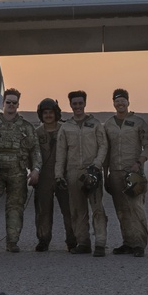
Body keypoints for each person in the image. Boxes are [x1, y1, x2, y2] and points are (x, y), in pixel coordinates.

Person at [0, 88, 41, 253]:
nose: (11, 105)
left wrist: (36, 169)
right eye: (8, 102)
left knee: (15, 208)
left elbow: (35, 150)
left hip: (18, 173)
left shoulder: (26, 127)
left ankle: (12, 242)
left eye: (14, 103)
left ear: (18, 104)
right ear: (3, 104)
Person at [56, 91, 108, 256]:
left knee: (97, 208)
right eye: (74, 103)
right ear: (70, 105)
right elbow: (61, 153)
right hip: (73, 172)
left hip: (91, 171)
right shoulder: (66, 127)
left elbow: (103, 146)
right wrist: (59, 175)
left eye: (80, 103)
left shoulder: (95, 124)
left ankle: (100, 243)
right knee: (77, 210)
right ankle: (83, 242)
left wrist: (96, 165)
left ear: (84, 103)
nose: (77, 106)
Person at [104, 88, 148, 258]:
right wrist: (105, 175)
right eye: (117, 101)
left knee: (136, 208)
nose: (120, 104)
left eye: (123, 100)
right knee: (121, 210)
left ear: (128, 102)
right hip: (115, 173)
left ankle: (139, 244)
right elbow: (105, 150)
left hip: (133, 173)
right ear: (113, 103)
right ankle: (128, 243)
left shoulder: (138, 122)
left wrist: (139, 162)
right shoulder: (108, 125)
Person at [33, 97, 78, 253]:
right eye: (45, 113)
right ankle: (43, 240)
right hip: (44, 176)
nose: (48, 116)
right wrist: (33, 171)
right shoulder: (37, 133)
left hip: (63, 175)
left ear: (56, 113)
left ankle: (72, 240)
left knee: (68, 209)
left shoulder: (65, 130)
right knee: (43, 210)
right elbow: (30, 153)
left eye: (51, 112)